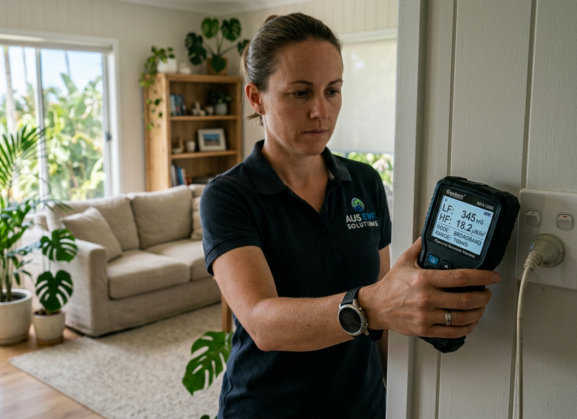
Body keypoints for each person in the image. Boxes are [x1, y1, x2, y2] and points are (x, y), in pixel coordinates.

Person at [200, 13, 499, 418]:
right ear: (256, 98)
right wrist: (372, 305)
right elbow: (262, 322)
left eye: (333, 91)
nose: (320, 111)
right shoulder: (229, 195)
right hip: (267, 408)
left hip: (363, 406)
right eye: (300, 93)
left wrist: (399, 396)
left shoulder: (364, 181)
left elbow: (382, 312)